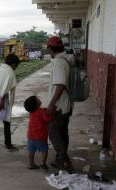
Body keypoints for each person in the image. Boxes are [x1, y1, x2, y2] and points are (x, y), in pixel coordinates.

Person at [46, 36, 73, 171]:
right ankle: (60, 159)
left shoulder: (57, 62)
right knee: (62, 133)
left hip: (60, 106)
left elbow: (60, 85)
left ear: (51, 48)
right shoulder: (66, 59)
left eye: (48, 49)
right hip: (67, 104)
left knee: (53, 132)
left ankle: (64, 159)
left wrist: (51, 104)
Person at [24, 96, 54, 170]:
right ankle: (43, 163)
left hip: (31, 136)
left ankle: (31, 164)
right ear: (36, 104)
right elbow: (48, 119)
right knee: (44, 150)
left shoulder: (31, 113)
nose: (39, 98)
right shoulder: (41, 112)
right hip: (41, 136)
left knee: (31, 151)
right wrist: (53, 112)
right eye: (37, 99)